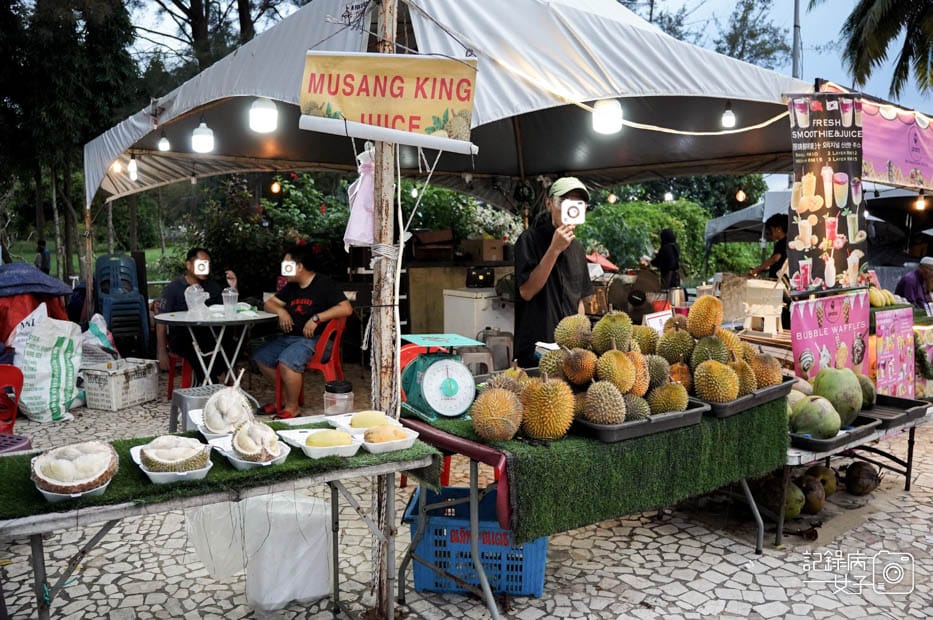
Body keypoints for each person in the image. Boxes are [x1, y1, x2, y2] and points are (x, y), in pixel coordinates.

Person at [254, 244, 353, 419]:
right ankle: (284, 399)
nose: (283, 270)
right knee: (261, 357)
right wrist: (281, 311)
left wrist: (317, 318)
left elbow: (346, 308)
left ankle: (293, 407)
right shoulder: (291, 286)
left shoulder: (325, 284)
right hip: (290, 338)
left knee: (287, 361)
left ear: (299, 267)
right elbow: (269, 303)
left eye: (287, 265)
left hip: (317, 341)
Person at [513, 177, 594, 368]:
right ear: (549, 203)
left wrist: (582, 338)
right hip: (536, 348)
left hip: (569, 350)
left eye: (577, 204)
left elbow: (579, 300)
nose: (571, 208)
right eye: (564, 202)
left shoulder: (578, 248)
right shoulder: (529, 239)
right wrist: (554, 249)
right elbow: (527, 291)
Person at [156, 247, 238, 383]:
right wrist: (162, 352)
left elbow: (228, 311)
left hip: (209, 335)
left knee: (234, 342)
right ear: (188, 265)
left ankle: (212, 378)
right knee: (195, 347)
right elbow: (160, 321)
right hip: (183, 338)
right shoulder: (173, 288)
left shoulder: (213, 287)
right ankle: (210, 382)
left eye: (207, 265)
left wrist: (233, 288)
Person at [748, 214, 788, 278]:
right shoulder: (788, 241)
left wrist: (758, 268)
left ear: (778, 229)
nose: (769, 234)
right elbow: (780, 262)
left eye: (770, 231)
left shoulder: (783, 242)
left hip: (779, 280)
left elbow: (775, 258)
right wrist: (764, 268)